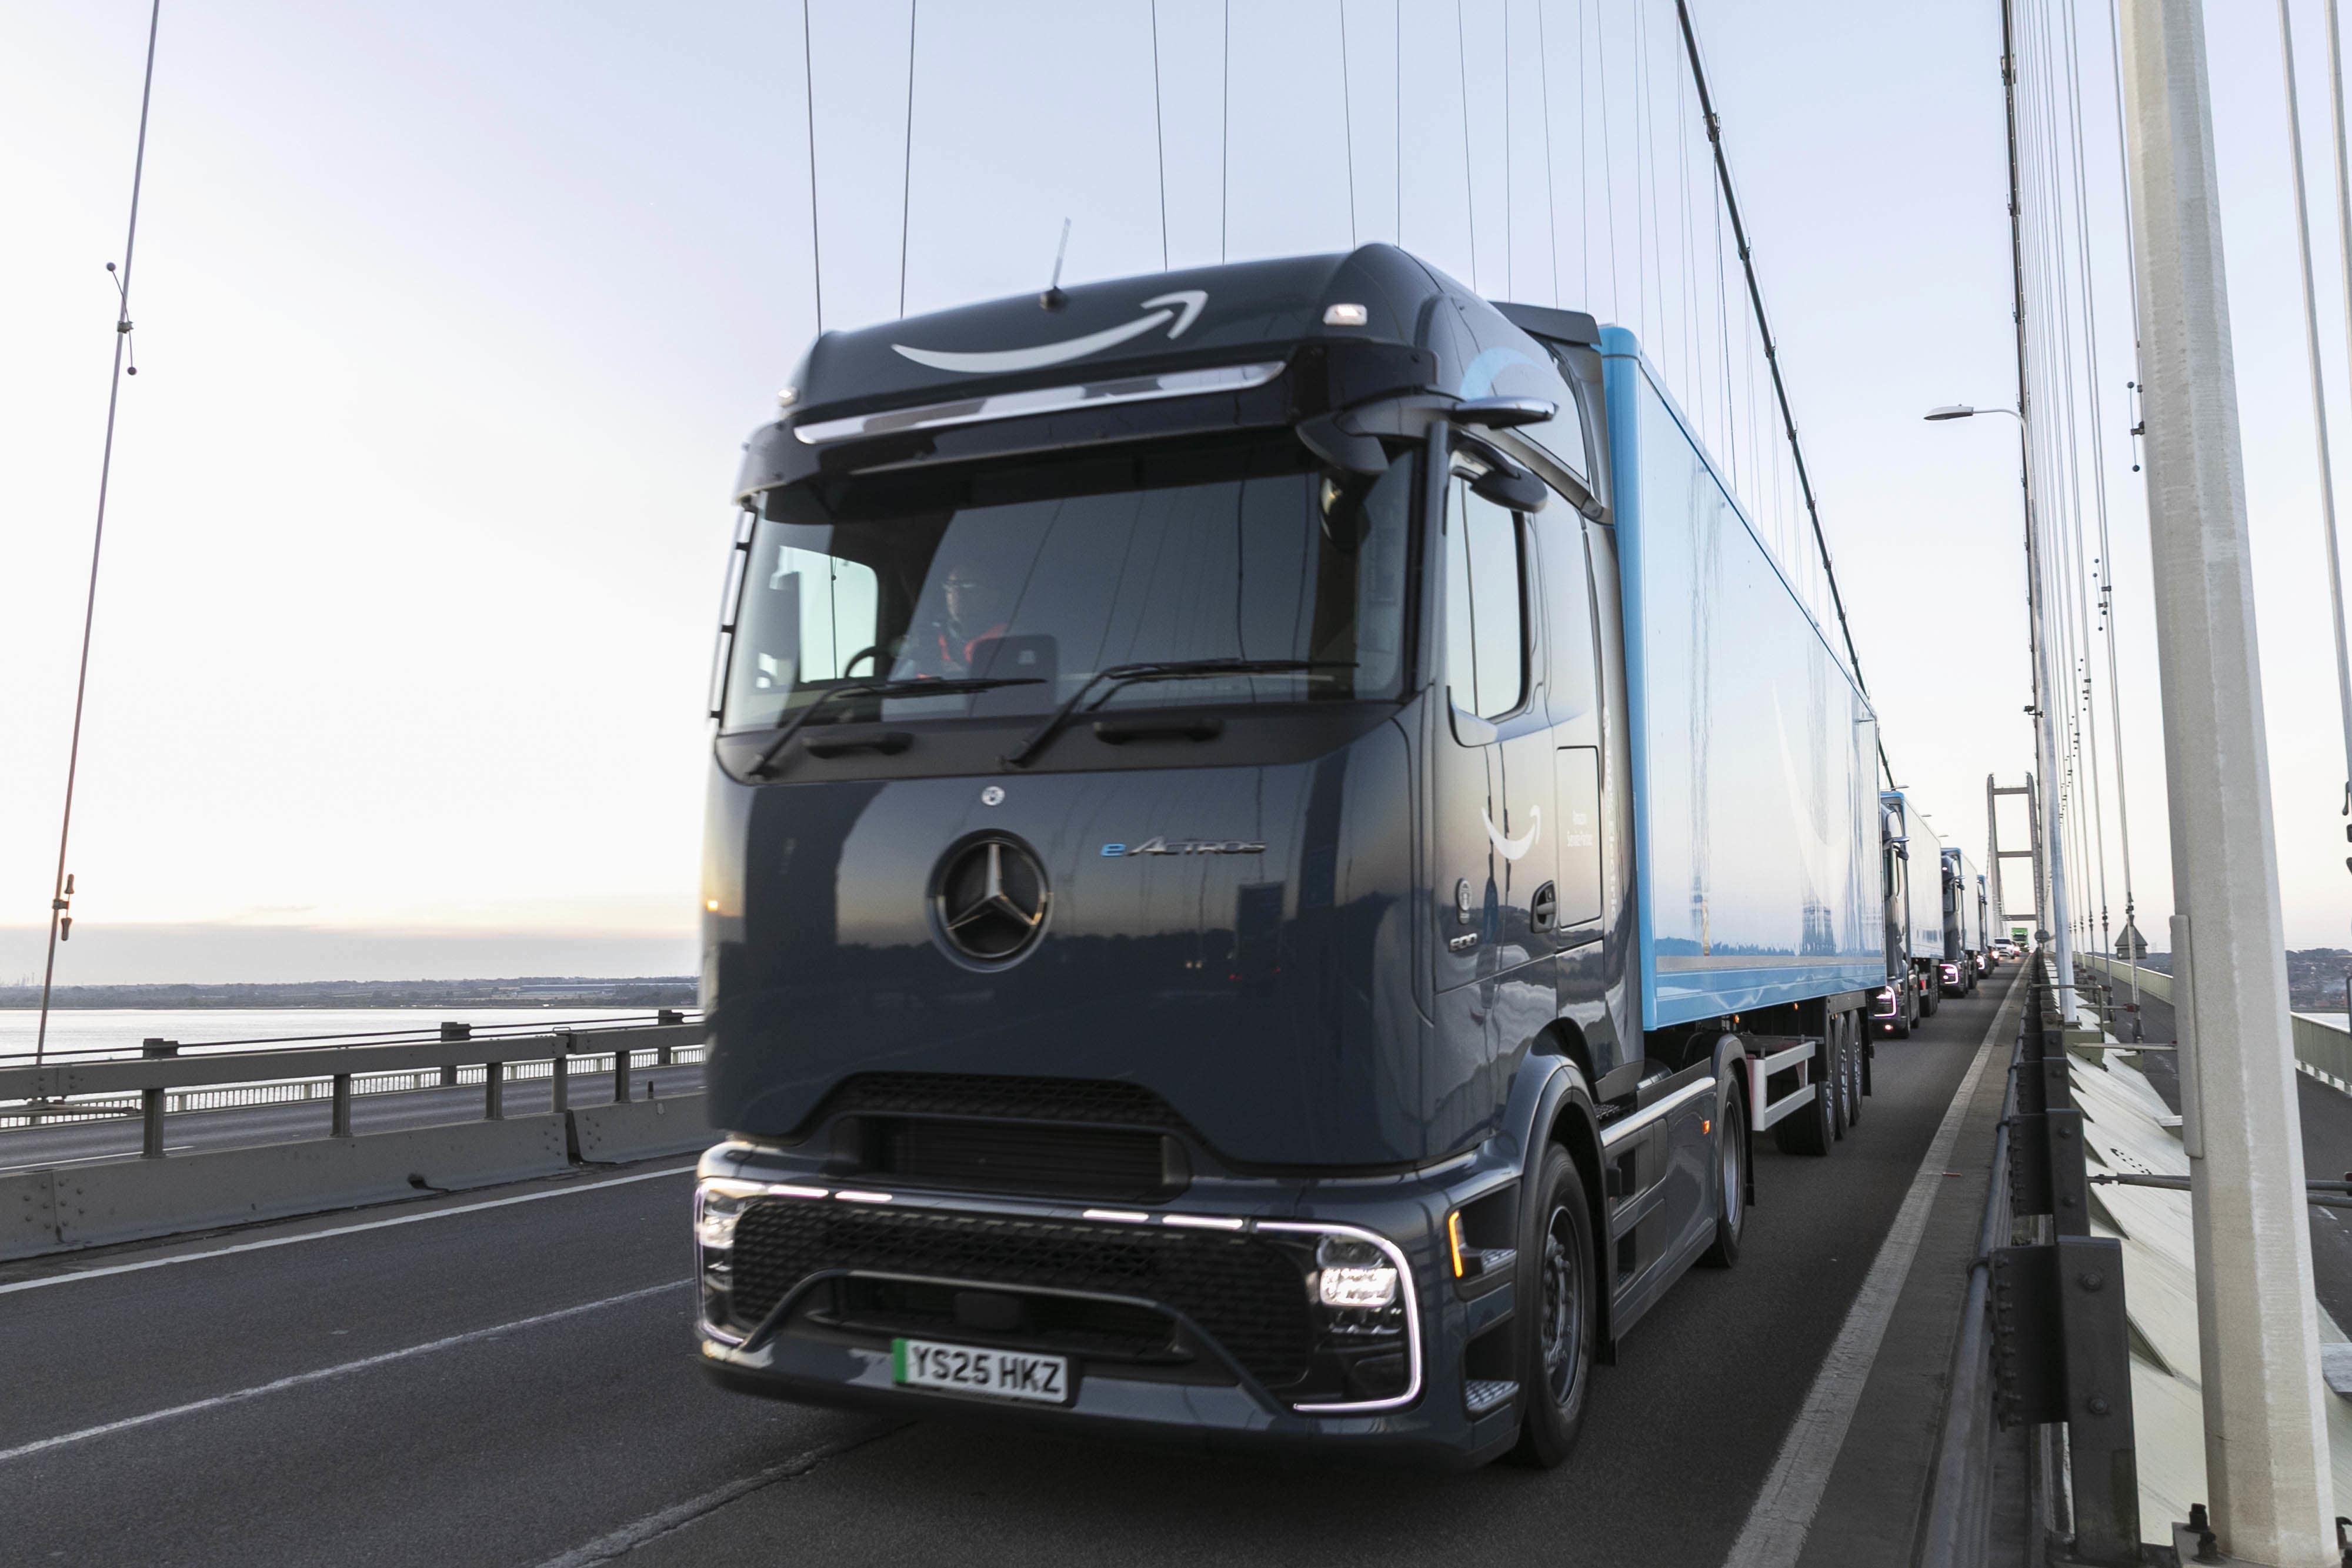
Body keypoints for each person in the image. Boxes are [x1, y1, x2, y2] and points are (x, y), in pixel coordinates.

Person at [923, 561, 1011, 676]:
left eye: (969, 587)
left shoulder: (1012, 639)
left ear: (993, 596)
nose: (957, 594)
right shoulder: (929, 639)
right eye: (951, 586)